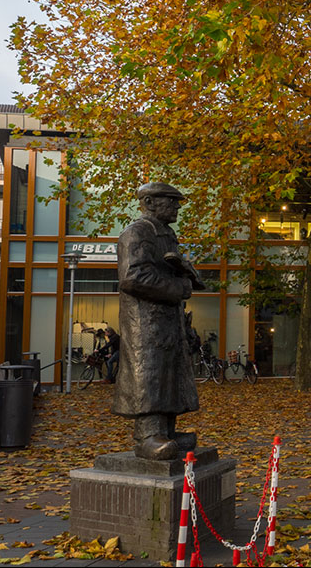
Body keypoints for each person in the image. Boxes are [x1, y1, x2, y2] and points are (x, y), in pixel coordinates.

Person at [113, 182, 206, 461]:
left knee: (169, 373)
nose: (177, 206)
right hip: (145, 321)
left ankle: (167, 431)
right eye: (171, 200)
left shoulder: (165, 234)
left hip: (167, 319)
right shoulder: (137, 233)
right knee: (149, 374)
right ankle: (147, 436)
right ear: (150, 202)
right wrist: (179, 288)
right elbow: (132, 278)